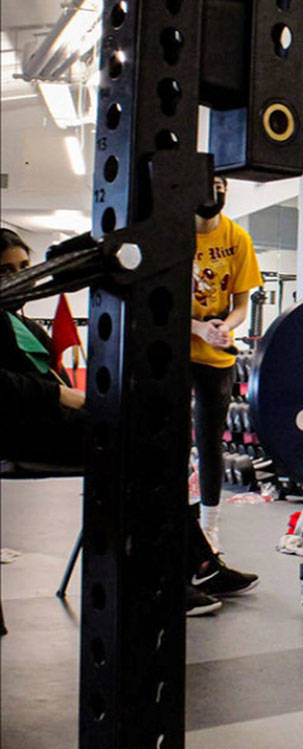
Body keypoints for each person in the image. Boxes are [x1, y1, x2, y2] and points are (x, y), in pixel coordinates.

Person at [0, 228, 255, 615]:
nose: (20, 278)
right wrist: (60, 395)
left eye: (24, 267)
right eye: (7, 271)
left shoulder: (27, 325)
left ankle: (198, 565)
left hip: (56, 423)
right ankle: (164, 578)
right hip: (22, 433)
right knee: (146, 451)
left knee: (157, 442)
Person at [190, 175, 264, 554]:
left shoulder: (237, 238)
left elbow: (241, 305)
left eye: (220, 184)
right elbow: (162, 303)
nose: (215, 191)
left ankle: (209, 527)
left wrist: (223, 328)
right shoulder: (175, 234)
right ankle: (171, 521)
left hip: (216, 353)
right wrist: (199, 329)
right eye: (208, 183)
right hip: (175, 349)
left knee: (210, 442)